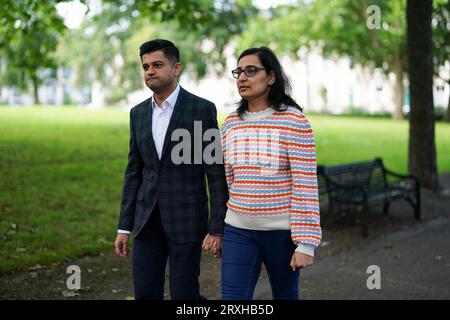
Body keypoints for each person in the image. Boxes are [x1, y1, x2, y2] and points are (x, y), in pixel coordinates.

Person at [114, 39, 228, 300]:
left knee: (185, 296)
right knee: (144, 293)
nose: (150, 71)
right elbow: (134, 173)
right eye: (145, 66)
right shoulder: (138, 113)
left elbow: (214, 172)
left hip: (186, 220)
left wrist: (217, 227)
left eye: (157, 65)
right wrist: (124, 227)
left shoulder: (201, 109)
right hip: (146, 221)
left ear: (176, 68)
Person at [214, 47, 322, 300]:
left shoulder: (294, 121)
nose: (242, 77)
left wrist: (306, 243)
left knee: (285, 296)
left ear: (271, 77)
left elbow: (305, 183)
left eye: (251, 71)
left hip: (281, 234)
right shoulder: (231, 123)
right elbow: (228, 178)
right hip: (237, 231)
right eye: (238, 72)